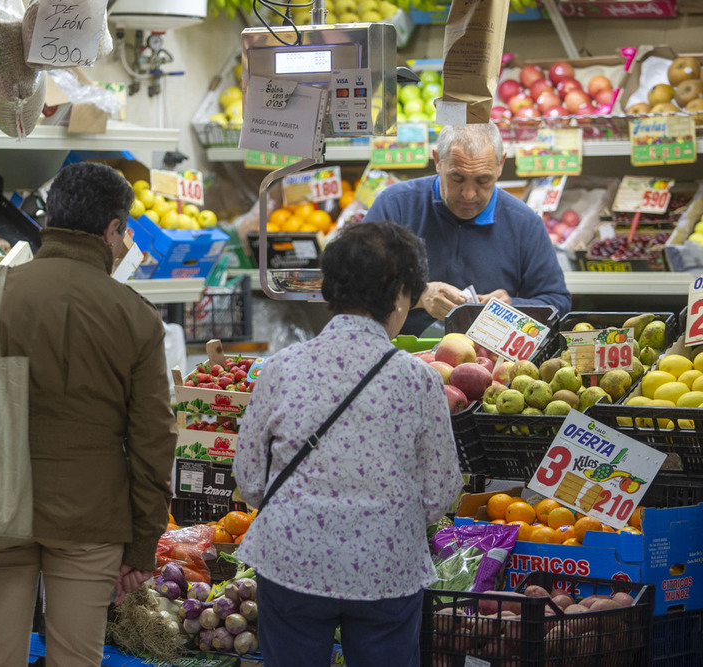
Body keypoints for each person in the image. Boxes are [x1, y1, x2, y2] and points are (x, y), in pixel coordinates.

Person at [0, 161, 177, 667]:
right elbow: (153, 440)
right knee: (78, 657)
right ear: (112, 229)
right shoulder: (135, 317)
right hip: (92, 517)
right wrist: (144, 544)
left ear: (49, 220)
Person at [233, 220, 463, 667]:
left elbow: (249, 481)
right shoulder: (419, 380)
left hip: (291, 560)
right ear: (401, 294)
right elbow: (440, 491)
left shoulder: (279, 369)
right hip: (387, 569)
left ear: (330, 289)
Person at [365, 122, 571, 336]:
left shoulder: (525, 223)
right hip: (400, 355)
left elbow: (557, 302)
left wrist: (513, 306)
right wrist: (418, 296)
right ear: (437, 160)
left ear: (500, 164)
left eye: (483, 180)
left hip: (489, 360)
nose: (469, 194)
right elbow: (354, 286)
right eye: (456, 178)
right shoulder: (395, 206)